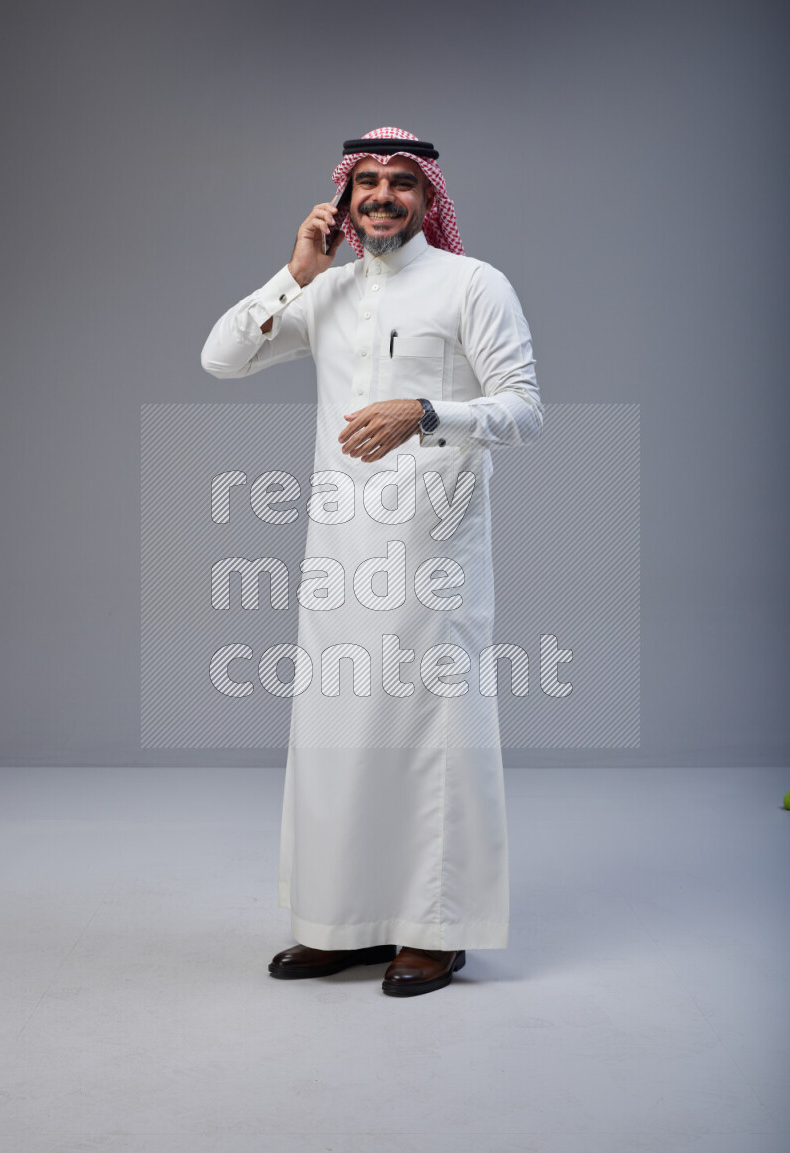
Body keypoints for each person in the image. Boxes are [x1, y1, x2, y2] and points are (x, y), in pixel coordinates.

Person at [201, 127, 543, 997]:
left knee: (431, 734)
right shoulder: (328, 290)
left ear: (428, 198)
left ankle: (437, 930)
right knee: (339, 738)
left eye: (401, 182)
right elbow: (222, 357)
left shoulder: (472, 283)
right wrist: (295, 272)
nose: (383, 195)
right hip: (338, 553)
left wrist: (426, 412)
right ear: (345, 198)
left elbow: (524, 409)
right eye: (368, 182)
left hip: (433, 551)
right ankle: (341, 923)